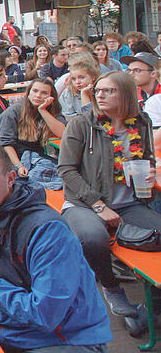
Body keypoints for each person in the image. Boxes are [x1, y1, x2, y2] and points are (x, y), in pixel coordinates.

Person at [0, 142, 112, 351]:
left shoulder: (47, 230)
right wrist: (11, 304)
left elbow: (44, 316)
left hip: (62, 340)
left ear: (10, 179)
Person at [58, 70, 160, 317]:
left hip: (129, 203)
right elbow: (66, 170)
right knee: (92, 237)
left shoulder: (142, 122)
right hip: (84, 203)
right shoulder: (83, 124)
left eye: (108, 90)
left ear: (125, 94)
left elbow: (146, 158)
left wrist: (152, 171)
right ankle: (112, 287)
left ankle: (155, 303)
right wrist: (99, 206)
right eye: (98, 90)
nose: (100, 95)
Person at [0, 78, 66, 187]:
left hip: (37, 156)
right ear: (28, 92)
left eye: (44, 93)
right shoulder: (13, 112)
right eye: (35, 91)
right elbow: (5, 144)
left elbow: (62, 133)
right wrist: (19, 166)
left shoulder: (51, 110)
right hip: (15, 158)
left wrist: (42, 110)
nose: (38, 95)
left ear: (51, 97)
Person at [58, 53, 99, 119]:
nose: (78, 82)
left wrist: (85, 95)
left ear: (92, 76)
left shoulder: (101, 89)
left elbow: (92, 119)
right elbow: (67, 116)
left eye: (82, 77)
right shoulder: (68, 92)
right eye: (74, 79)